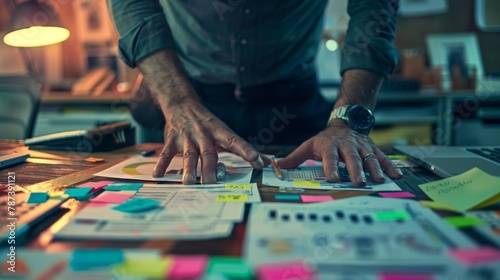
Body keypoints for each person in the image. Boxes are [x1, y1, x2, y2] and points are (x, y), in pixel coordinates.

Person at [107, 0, 403, 185]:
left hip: (292, 105)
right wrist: (176, 101)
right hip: (194, 101)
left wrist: (348, 119)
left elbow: (374, 8)